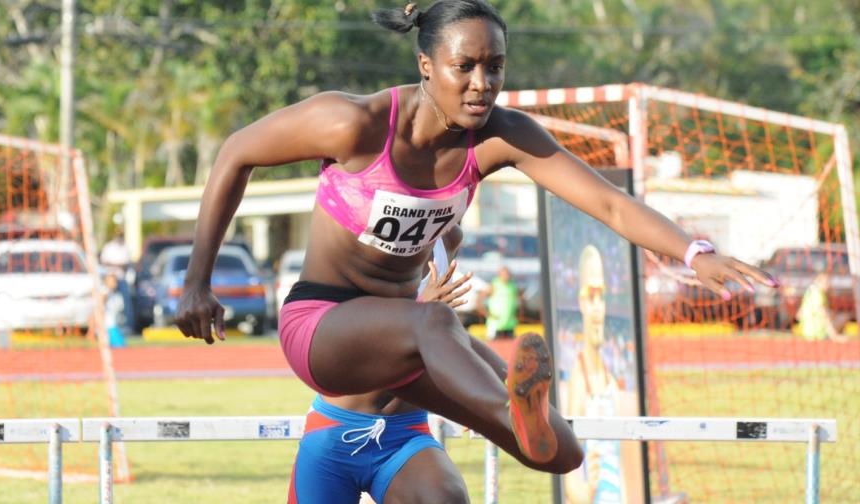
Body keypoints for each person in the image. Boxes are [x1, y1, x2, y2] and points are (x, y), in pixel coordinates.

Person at [175, 0, 777, 476]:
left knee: (562, 453)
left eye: (495, 67)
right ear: (426, 66)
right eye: (466, 67)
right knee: (438, 323)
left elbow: (607, 202)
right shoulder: (352, 122)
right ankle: (515, 412)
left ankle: (527, 423)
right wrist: (196, 282)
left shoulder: (498, 137)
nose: (482, 84)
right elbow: (235, 153)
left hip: (405, 337)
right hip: (322, 326)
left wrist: (694, 252)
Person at [291, 227, 480, 504]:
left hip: (405, 434)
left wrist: (466, 393)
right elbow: (353, 343)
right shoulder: (363, 232)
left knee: (445, 497)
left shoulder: (449, 239)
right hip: (337, 430)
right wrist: (419, 312)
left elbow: (440, 335)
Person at [564, 245, 641, 504]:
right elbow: (570, 466)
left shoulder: (609, 379)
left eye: (602, 297)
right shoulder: (579, 375)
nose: (598, 308)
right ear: (581, 302)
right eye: (591, 297)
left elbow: (623, 461)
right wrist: (582, 492)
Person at [796, 273, 848, 343]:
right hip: (818, 333)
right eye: (826, 283)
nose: (828, 285)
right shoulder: (818, 293)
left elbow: (798, 315)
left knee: (831, 314)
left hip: (806, 332)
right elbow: (824, 315)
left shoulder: (809, 291)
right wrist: (834, 336)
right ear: (818, 282)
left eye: (828, 283)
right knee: (844, 317)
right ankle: (829, 337)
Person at [479, 264, 520, 339]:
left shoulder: (512, 286)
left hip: (509, 325)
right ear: (499, 274)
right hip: (495, 325)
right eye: (504, 274)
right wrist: (487, 314)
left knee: (510, 349)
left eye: (508, 274)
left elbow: (517, 302)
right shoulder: (494, 285)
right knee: (493, 349)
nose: (506, 276)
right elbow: (479, 299)